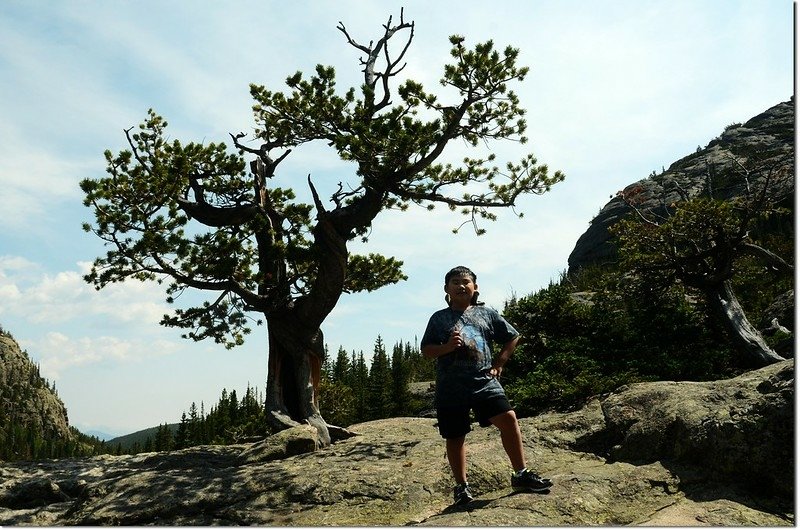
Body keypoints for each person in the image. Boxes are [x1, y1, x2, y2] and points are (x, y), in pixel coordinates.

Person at [421, 265, 552, 505]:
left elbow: (513, 336)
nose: (461, 286)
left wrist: (499, 362)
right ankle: (461, 487)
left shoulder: (487, 314)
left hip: (484, 381)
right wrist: (447, 348)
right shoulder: (438, 318)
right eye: (455, 282)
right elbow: (427, 350)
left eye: (466, 282)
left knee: (508, 418)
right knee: (455, 436)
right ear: (446, 289)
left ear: (475, 287)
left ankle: (520, 474)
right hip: (451, 387)